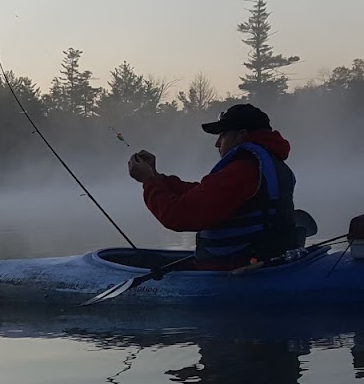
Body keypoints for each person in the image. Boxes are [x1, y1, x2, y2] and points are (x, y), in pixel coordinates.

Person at [126, 103, 299, 268]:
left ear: (241, 135)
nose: (217, 143)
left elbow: (177, 216)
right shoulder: (268, 165)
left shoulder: (242, 171)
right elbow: (201, 194)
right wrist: (156, 177)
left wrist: (148, 181)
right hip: (260, 262)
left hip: (234, 269)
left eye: (222, 134)